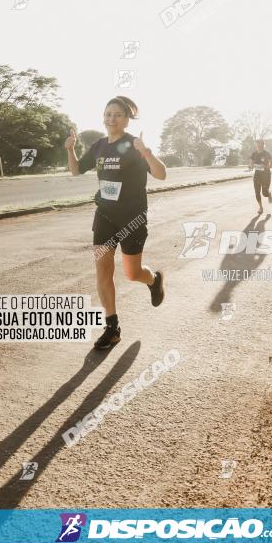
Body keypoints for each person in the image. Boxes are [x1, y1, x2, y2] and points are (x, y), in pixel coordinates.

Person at [65, 95, 167, 351]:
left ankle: (153, 280)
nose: (112, 119)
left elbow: (161, 174)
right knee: (103, 271)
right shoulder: (99, 146)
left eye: (118, 115)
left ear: (127, 119)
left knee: (133, 273)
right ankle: (112, 327)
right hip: (105, 216)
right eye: (108, 114)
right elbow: (76, 170)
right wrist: (70, 149)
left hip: (132, 217)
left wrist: (146, 152)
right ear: (103, 117)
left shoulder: (134, 145)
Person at [249, 139, 272, 214]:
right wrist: (251, 166)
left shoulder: (267, 154)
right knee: (257, 192)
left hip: (266, 176)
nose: (259, 147)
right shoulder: (254, 154)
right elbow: (251, 165)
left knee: (264, 193)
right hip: (257, 175)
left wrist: (265, 166)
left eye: (260, 145)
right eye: (257, 145)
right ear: (256, 146)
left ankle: (268, 194)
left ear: (263, 145)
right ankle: (260, 207)